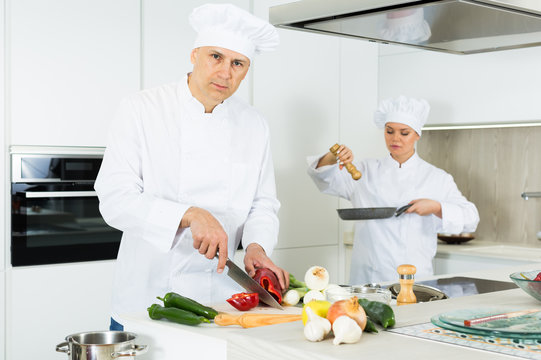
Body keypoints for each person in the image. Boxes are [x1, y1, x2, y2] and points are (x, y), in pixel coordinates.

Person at [95, 3, 289, 331]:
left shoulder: (255, 125)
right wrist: (189, 214)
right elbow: (115, 200)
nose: (225, 73)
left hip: (222, 302)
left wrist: (256, 245)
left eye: (238, 63)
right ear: (194, 54)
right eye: (216, 56)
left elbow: (263, 204)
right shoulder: (141, 109)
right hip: (148, 299)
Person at [307, 96, 479, 285]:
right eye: (389, 131)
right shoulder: (364, 171)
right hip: (367, 278)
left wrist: (436, 207)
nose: (395, 138)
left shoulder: (436, 178)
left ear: (417, 135)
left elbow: (471, 218)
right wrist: (333, 156)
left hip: (416, 279)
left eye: (404, 133)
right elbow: (323, 177)